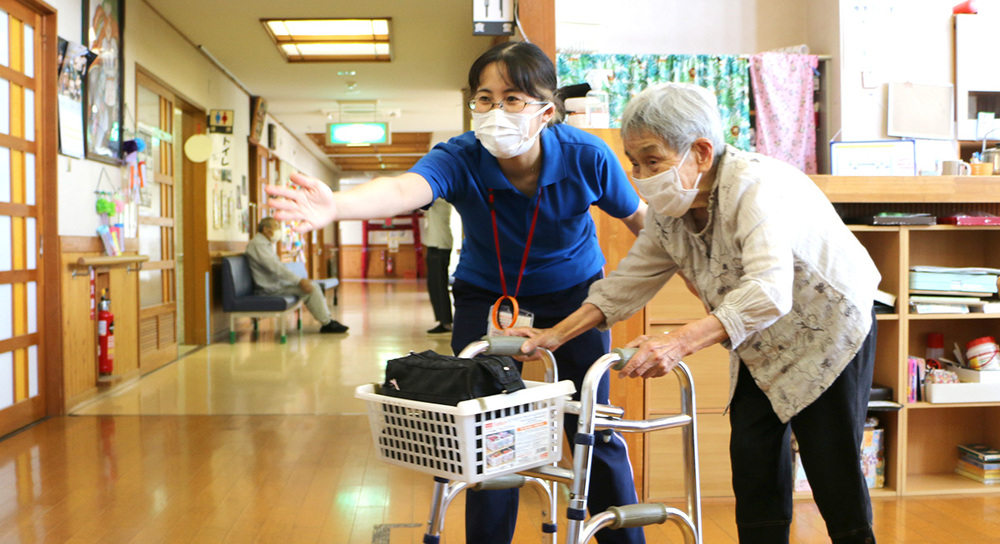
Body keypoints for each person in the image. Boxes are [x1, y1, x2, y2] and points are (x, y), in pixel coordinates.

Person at [266, 41, 648, 544]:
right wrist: (336, 205)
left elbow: (644, 223)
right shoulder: (461, 157)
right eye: (484, 99)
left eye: (512, 99)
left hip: (573, 298)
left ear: (547, 111)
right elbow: (405, 188)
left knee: (592, 426)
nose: (495, 111)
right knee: (488, 432)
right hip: (487, 299)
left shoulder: (586, 155)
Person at [508, 82, 881, 544]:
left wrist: (678, 342)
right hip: (760, 340)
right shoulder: (671, 210)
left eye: (652, 160)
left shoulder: (752, 185)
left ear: (701, 151)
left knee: (833, 469)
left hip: (829, 330)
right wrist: (553, 336)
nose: (641, 174)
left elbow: (768, 289)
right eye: (634, 162)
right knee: (753, 463)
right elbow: (626, 284)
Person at [246, 217, 349, 334]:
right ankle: (327, 323)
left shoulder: (264, 244)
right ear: (266, 229)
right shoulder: (258, 245)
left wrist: (299, 280)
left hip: (276, 284)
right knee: (312, 287)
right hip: (270, 288)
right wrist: (299, 281)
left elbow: (277, 267)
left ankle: (327, 321)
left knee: (311, 286)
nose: (278, 230)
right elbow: (276, 268)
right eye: (276, 227)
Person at [423, 198, 454, 335]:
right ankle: (443, 321)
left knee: (439, 285)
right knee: (434, 285)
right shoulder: (437, 201)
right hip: (435, 245)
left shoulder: (439, 200)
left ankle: (446, 322)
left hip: (439, 245)